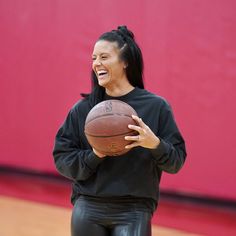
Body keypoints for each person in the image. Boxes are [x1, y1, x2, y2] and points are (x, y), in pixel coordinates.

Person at [53, 25, 186, 236]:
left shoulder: (156, 107)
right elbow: (62, 158)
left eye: (104, 57)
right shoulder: (83, 110)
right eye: (94, 58)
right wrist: (95, 155)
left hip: (134, 209)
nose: (97, 63)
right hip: (88, 205)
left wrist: (155, 145)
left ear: (125, 62)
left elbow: (176, 161)